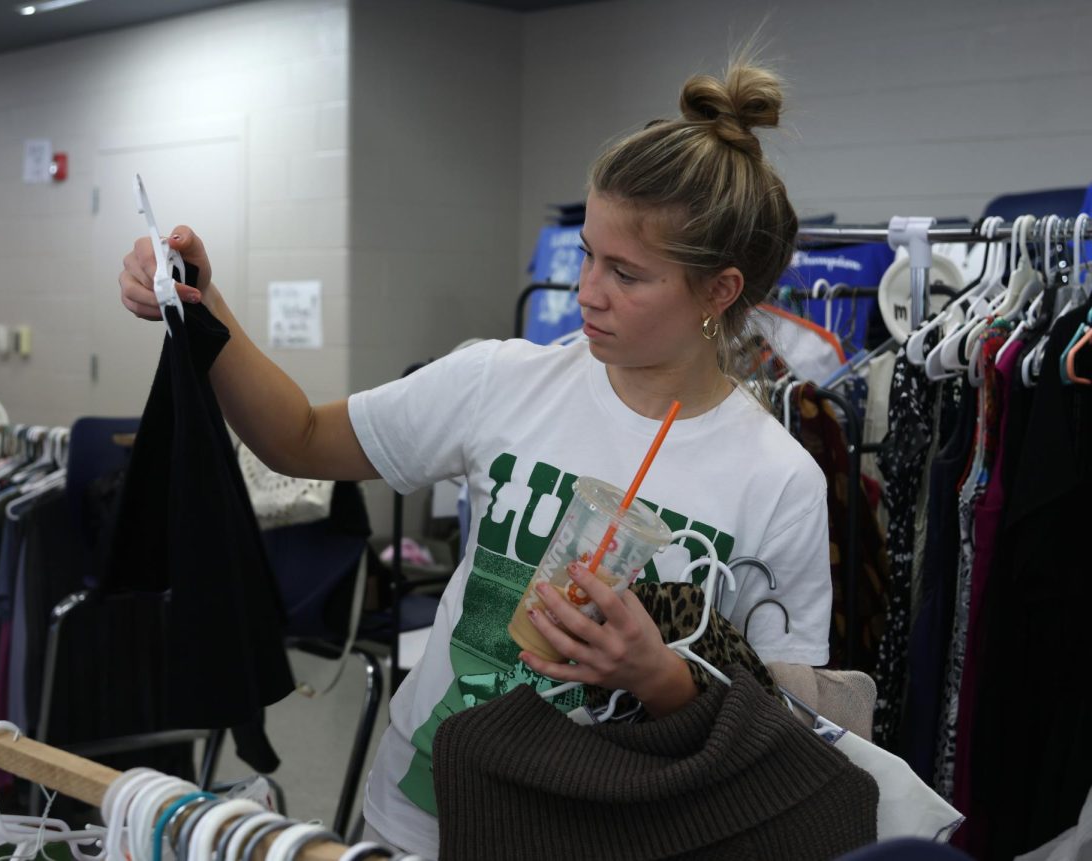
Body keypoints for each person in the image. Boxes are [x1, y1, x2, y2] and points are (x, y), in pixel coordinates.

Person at [120, 60, 832, 858]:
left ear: (718, 291)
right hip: (424, 812)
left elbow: (784, 734)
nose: (585, 290)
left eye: (625, 273)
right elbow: (301, 439)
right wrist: (202, 306)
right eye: (588, 254)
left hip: (608, 833)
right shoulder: (504, 380)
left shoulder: (780, 481)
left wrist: (658, 676)